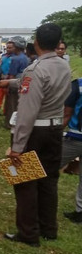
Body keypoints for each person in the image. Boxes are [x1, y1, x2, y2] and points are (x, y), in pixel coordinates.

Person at [0, 23, 70, 246]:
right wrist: (12, 83)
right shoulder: (63, 66)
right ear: (58, 42)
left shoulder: (35, 70)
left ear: (36, 41)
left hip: (35, 131)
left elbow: (27, 111)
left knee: (25, 182)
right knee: (49, 180)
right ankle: (49, 228)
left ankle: (28, 233)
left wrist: (17, 146)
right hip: (55, 128)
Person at [59, 78, 82, 224]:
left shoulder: (78, 85)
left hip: (76, 137)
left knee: (47, 165)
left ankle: (34, 203)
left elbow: (67, 114)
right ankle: (80, 212)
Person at [3, 37, 30, 128]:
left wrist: (7, 86)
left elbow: (12, 75)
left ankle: (10, 123)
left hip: (15, 83)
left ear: (17, 47)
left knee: (12, 104)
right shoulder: (26, 58)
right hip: (24, 82)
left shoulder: (15, 59)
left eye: (13, 47)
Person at [0, 42, 13, 116]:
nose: (8, 49)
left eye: (10, 48)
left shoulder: (14, 57)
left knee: (8, 96)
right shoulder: (3, 56)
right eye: (7, 47)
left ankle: (6, 111)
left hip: (10, 78)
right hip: (1, 78)